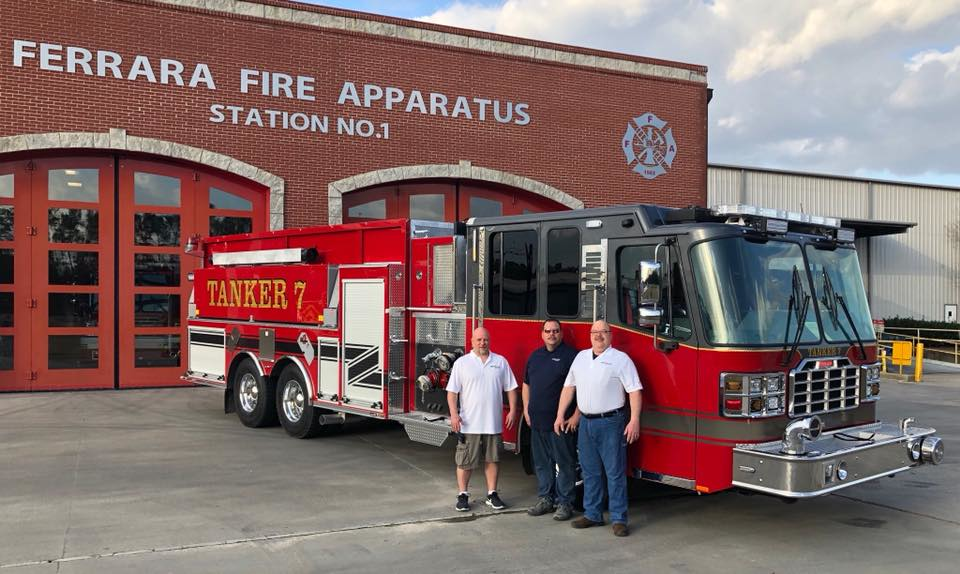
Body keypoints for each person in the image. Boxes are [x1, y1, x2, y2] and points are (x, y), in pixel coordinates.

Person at [555, 320, 641, 537]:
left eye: (603, 332)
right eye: (595, 332)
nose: (598, 336)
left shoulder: (620, 360)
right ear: (589, 335)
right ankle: (592, 514)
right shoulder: (581, 357)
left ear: (610, 335)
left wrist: (634, 420)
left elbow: (634, 391)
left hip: (611, 422)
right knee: (590, 471)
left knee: (614, 473)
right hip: (585, 422)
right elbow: (568, 388)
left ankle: (619, 519)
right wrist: (560, 415)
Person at [447, 326, 520, 512]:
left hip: (492, 423)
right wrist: (454, 414)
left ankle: (492, 494)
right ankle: (463, 495)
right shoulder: (462, 363)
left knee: (493, 459)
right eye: (478, 340)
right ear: (471, 341)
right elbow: (452, 392)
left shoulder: (500, 362)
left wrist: (512, 410)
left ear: (489, 341)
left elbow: (511, 388)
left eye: (485, 339)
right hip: (468, 423)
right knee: (464, 461)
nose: (482, 343)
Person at [523, 319, 579, 521]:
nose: (552, 334)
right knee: (542, 464)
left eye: (555, 331)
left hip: (561, 424)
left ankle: (565, 503)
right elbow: (526, 385)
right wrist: (527, 411)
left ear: (561, 334)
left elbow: (582, 388)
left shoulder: (572, 356)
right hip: (537, 422)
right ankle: (546, 499)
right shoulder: (535, 357)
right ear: (542, 334)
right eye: (548, 331)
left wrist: (575, 416)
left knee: (565, 464)